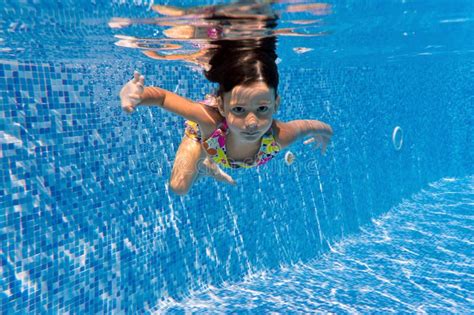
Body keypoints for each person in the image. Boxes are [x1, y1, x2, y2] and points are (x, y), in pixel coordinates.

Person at [120, 35, 333, 196]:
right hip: (204, 136)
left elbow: (310, 124)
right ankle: (205, 162)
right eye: (239, 110)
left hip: (221, 144)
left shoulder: (280, 135)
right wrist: (137, 95)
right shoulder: (209, 121)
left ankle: (208, 162)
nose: (252, 122)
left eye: (262, 109)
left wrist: (326, 132)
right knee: (179, 187)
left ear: (276, 104)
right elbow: (163, 98)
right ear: (222, 106)